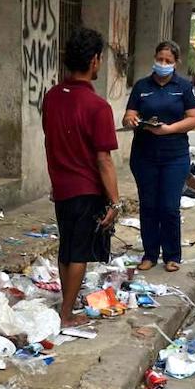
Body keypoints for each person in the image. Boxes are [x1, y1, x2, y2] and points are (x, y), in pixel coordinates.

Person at [42, 27, 121, 327]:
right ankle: (66, 313)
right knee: (78, 252)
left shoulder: (51, 97)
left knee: (67, 247)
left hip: (61, 187)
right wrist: (115, 202)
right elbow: (104, 160)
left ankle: (66, 302)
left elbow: (50, 139)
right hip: (86, 189)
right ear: (94, 61)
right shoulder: (97, 106)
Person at [123, 40, 195, 272]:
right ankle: (149, 253)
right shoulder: (141, 86)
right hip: (144, 155)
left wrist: (169, 129)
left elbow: (194, 119)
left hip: (174, 156)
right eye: (160, 60)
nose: (163, 64)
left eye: (168, 61)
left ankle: (172, 254)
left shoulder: (184, 87)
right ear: (154, 59)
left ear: (175, 63)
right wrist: (131, 120)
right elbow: (129, 115)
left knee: (168, 207)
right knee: (148, 205)